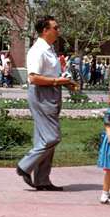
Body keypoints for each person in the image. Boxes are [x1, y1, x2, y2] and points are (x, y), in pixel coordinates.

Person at [16, 16, 75, 191]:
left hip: (51, 93)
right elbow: (33, 77)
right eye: (55, 28)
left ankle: (42, 180)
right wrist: (58, 81)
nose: (58, 31)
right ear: (45, 30)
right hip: (42, 95)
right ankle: (25, 165)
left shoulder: (49, 49)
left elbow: (50, 74)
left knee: (43, 139)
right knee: (52, 137)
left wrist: (63, 81)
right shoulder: (38, 50)